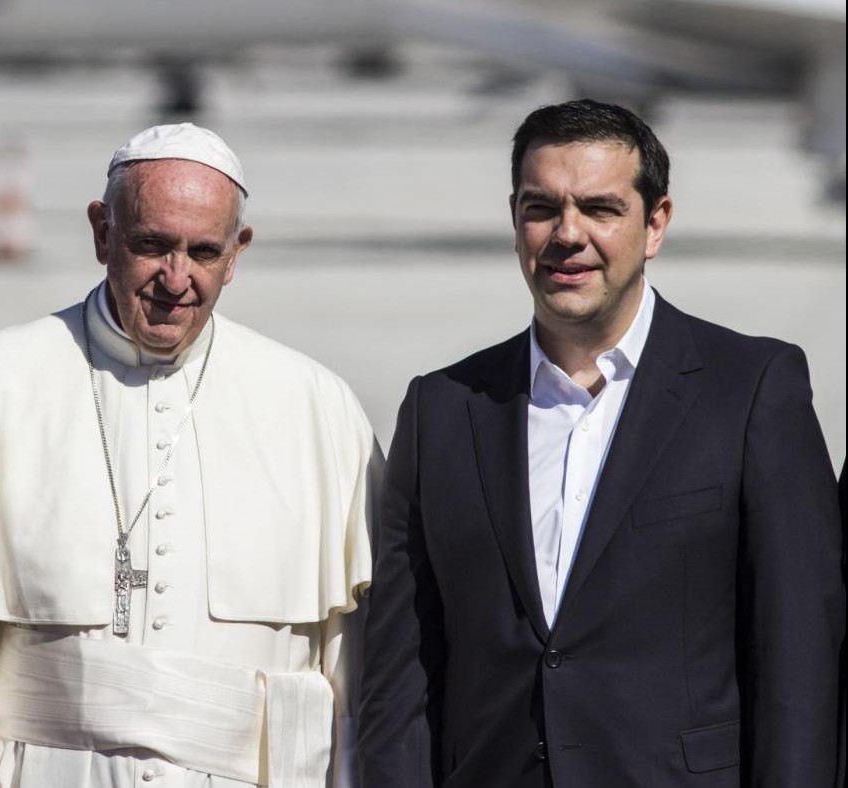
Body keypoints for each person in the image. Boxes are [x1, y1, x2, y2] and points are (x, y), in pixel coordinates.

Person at [0, 122, 379, 787]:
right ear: (102, 232)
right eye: (151, 245)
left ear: (237, 252)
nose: (176, 278)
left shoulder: (318, 410)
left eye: (203, 252)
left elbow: (357, 696)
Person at [359, 99, 844, 787]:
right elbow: (401, 673)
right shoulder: (443, 409)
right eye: (541, 208)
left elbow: (799, 662)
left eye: (600, 208)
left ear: (656, 224)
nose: (567, 234)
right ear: (514, 219)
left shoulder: (752, 390)